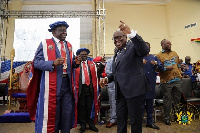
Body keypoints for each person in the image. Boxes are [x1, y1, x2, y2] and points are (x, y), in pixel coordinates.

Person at [26, 21, 81, 133]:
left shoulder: (69, 45)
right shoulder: (45, 44)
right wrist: (52, 63)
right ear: (54, 32)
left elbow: (70, 64)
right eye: (61, 30)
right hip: (52, 85)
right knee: (52, 114)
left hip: (67, 86)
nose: (64, 32)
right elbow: (36, 63)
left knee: (66, 113)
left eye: (65, 30)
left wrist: (76, 63)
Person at [100, 21, 150, 133]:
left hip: (134, 91)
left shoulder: (133, 46)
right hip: (120, 92)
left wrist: (131, 33)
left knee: (135, 121)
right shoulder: (117, 51)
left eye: (119, 37)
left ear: (126, 37)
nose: (116, 40)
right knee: (121, 119)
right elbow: (117, 72)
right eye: (114, 38)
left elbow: (144, 50)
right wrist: (108, 79)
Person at [156, 39, 182, 125]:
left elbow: (178, 65)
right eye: (167, 43)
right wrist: (166, 68)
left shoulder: (174, 53)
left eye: (170, 42)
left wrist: (180, 74)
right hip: (166, 81)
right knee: (167, 101)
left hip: (177, 80)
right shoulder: (158, 56)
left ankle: (177, 116)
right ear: (163, 45)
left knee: (177, 100)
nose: (170, 44)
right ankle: (167, 118)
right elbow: (157, 68)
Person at [75, 48, 99, 133]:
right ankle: (82, 125)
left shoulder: (92, 64)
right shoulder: (76, 65)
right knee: (82, 107)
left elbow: (97, 74)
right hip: (81, 89)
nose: (84, 56)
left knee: (89, 107)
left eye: (85, 54)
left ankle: (90, 123)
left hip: (90, 89)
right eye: (82, 54)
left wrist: (102, 64)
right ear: (79, 55)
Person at [142, 42, 163, 130]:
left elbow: (161, 68)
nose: (147, 48)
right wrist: (139, 61)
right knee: (140, 105)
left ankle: (150, 122)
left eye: (148, 47)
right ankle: (139, 122)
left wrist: (156, 64)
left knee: (150, 104)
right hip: (140, 85)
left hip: (151, 84)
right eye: (145, 47)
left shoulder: (154, 57)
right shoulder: (138, 58)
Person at [105, 57, 117, 128]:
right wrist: (117, 74)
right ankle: (113, 120)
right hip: (112, 85)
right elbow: (107, 71)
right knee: (113, 104)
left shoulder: (124, 60)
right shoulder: (110, 61)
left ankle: (122, 119)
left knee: (123, 104)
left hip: (123, 86)